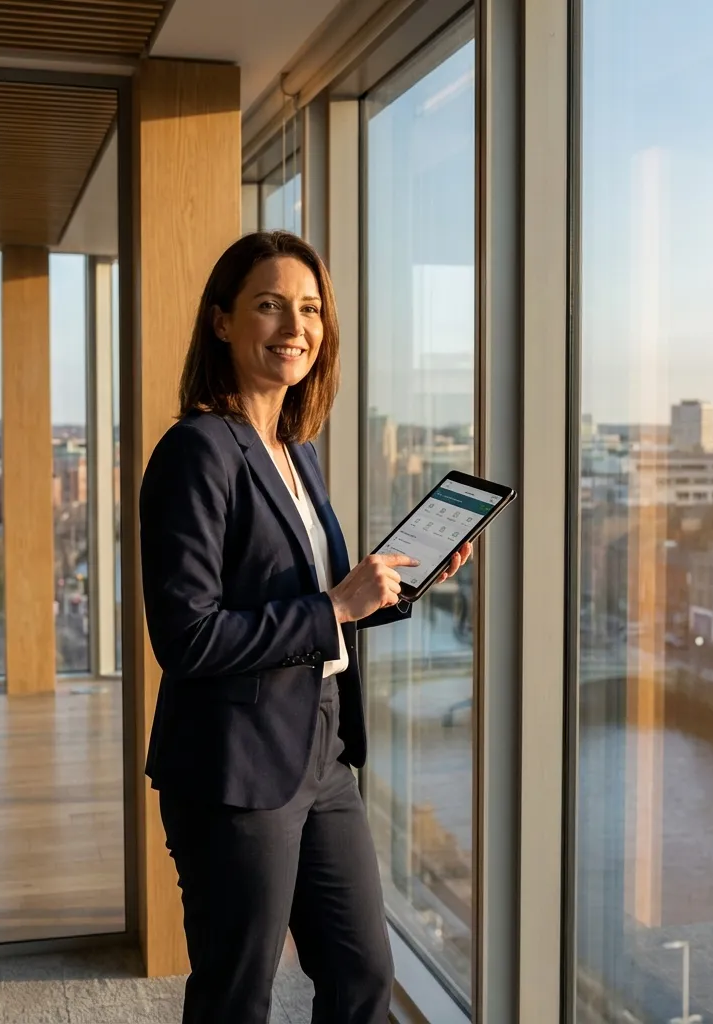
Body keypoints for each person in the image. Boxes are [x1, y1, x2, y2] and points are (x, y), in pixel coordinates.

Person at [139, 230, 471, 1024]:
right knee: (235, 996)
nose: (296, 325)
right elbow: (186, 638)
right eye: (270, 305)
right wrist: (336, 607)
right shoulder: (196, 451)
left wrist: (390, 591)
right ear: (222, 321)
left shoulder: (298, 450)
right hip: (234, 767)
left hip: (321, 749)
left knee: (361, 976)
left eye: (311, 308)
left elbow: (312, 605)